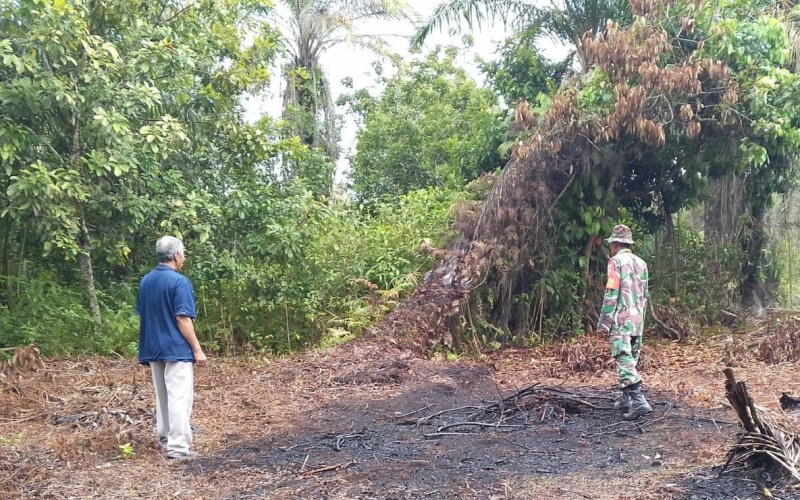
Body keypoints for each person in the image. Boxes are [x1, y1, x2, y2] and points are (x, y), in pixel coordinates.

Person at [136, 236, 207, 459]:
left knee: (163, 396)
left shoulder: (146, 281)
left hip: (153, 347)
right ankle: (177, 448)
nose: (184, 257)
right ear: (176, 255)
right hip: (176, 349)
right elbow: (183, 319)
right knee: (179, 397)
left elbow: (144, 314)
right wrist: (197, 349)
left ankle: (167, 439)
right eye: (183, 253)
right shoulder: (179, 282)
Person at [597, 224, 652, 421]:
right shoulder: (642, 263)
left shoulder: (615, 262)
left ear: (614, 244)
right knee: (631, 357)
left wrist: (604, 323)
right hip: (637, 318)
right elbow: (645, 295)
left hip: (621, 318)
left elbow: (611, 293)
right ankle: (627, 399)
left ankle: (638, 401)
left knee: (623, 357)